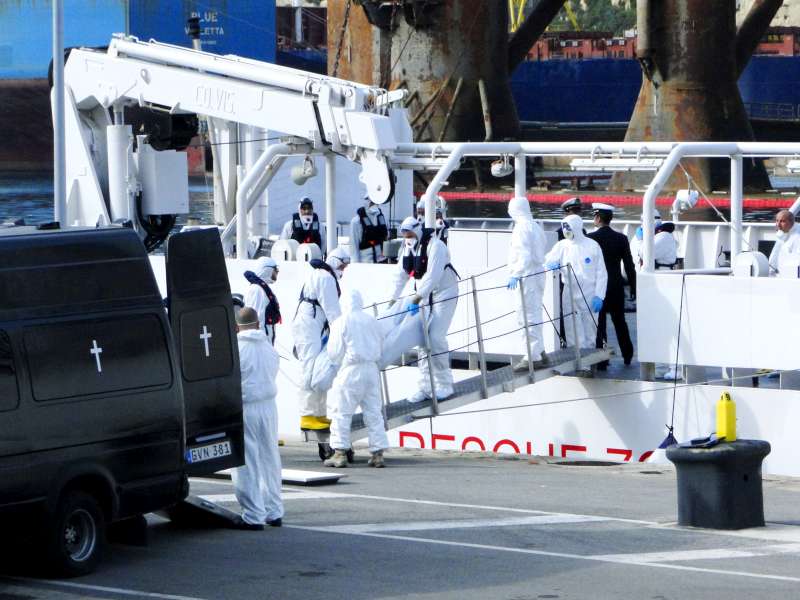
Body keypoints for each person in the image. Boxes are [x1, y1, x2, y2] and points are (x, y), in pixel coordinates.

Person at [391, 216, 459, 402]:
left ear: (418, 231)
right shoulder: (407, 247)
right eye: (404, 234)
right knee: (423, 340)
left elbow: (433, 275)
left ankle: (445, 384)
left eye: (410, 233)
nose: (408, 237)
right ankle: (425, 387)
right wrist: (393, 298)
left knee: (436, 337)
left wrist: (416, 297)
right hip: (423, 296)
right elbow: (401, 274)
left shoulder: (436, 246)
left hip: (444, 293)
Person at [324, 289, 389, 468]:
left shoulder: (341, 322)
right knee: (374, 413)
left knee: (341, 412)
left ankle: (339, 453)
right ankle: (378, 454)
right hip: (371, 370)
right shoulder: (373, 321)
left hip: (351, 370)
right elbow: (382, 344)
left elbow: (334, 352)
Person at [232, 307, 283, 530]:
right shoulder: (269, 349)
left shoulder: (236, 349)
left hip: (246, 407)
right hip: (269, 407)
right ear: (258, 325)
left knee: (246, 461)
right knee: (270, 458)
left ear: (236, 327)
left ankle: (253, 514)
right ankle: (274, 511)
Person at [292, 246, 350, 430]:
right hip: (309, 325)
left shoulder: (324, 275)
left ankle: (319, 413)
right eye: (342, 265)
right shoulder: (325, 277)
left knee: (319, 369)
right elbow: (332, 309)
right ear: (334, 261)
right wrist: (341, 332)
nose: (343, 270)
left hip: (315, 325)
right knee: (309, 368)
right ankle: (307, 415)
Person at [545, 213, 608, 349]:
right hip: (569, 292)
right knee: (571, 327)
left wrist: (599, 295)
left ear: (577, 227)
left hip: (589, 293)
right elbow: (547, 260)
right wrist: (550, 265)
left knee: (589, 329)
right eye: (564, 227)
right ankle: (575, 359)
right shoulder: (561, 246)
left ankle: (587, 363)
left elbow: (602, 273)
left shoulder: (592, 246)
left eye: (569, 227)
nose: (566, 231)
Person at [587, 203, 636, 368]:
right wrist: (634, 288)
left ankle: (602, 360)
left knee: (600, 324)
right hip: (616, 287)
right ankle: (628, 355)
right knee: (620, 322)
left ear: (598, 218)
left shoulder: (591, 239)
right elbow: (629, 266)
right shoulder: (621, 238)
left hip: (598, 288)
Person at [505, 196, 548, 371]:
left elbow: (523, 254)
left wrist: (516, 274)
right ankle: (540, 350)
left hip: (526, 275)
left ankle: (532, 356)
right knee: (535, 313)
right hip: (537, 274)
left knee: (526, 316)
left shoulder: (521, 228)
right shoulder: (535, 226)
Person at [243, 257, 281, 345]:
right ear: (267, 270)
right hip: (261, 342)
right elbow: (256, 319)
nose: (277, 272)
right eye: (275, 269)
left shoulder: (261, 289)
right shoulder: (257, 290)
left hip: (265, 339)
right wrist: (262, 345)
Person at [350, 194, 388, 263]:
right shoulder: (356, 221)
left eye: (376, 202)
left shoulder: (382, 218)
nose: (375, 205)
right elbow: (354, 247)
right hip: (366, 263)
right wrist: (355, 266)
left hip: (382, 262)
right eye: (372, 202)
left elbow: (386, 238)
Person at [768, 209, 800, 274]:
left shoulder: (798, 236)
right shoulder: (782, 233)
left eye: (782, 221)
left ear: (791, 222)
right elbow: (775, 256)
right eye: (777, 221)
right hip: (779, 274)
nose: (778, 224)